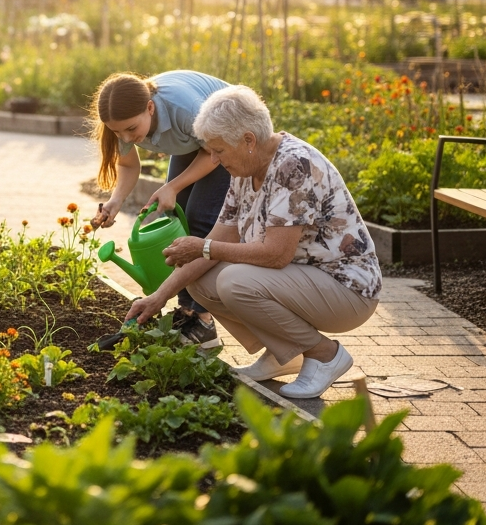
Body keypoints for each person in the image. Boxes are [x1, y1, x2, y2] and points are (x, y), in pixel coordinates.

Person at [124, 85, 382, 399]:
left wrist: (203, 247)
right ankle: (283, 353)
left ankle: (325, 355)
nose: (214, 159)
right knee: (200, 280)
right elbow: (221, 237)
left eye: (218, 150)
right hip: (303, 280)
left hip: (347, 289)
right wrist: (159, 297)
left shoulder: (294, 165)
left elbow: (276, 255)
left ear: (248, 139)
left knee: (235, 281)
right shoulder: (245, 168)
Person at [90, 71, 231, 348]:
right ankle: (187, 312)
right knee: (178, 220)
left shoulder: (184, 109)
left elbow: (213, 153)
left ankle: (201, 320)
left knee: (199, 220)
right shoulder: (122, 123)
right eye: (118, 132)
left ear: (150, 108)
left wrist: (173, 187)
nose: (126, 138)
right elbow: (129, 165)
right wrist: (115, 201)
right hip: (195, 140)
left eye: (131, 129)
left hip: (225, 140)